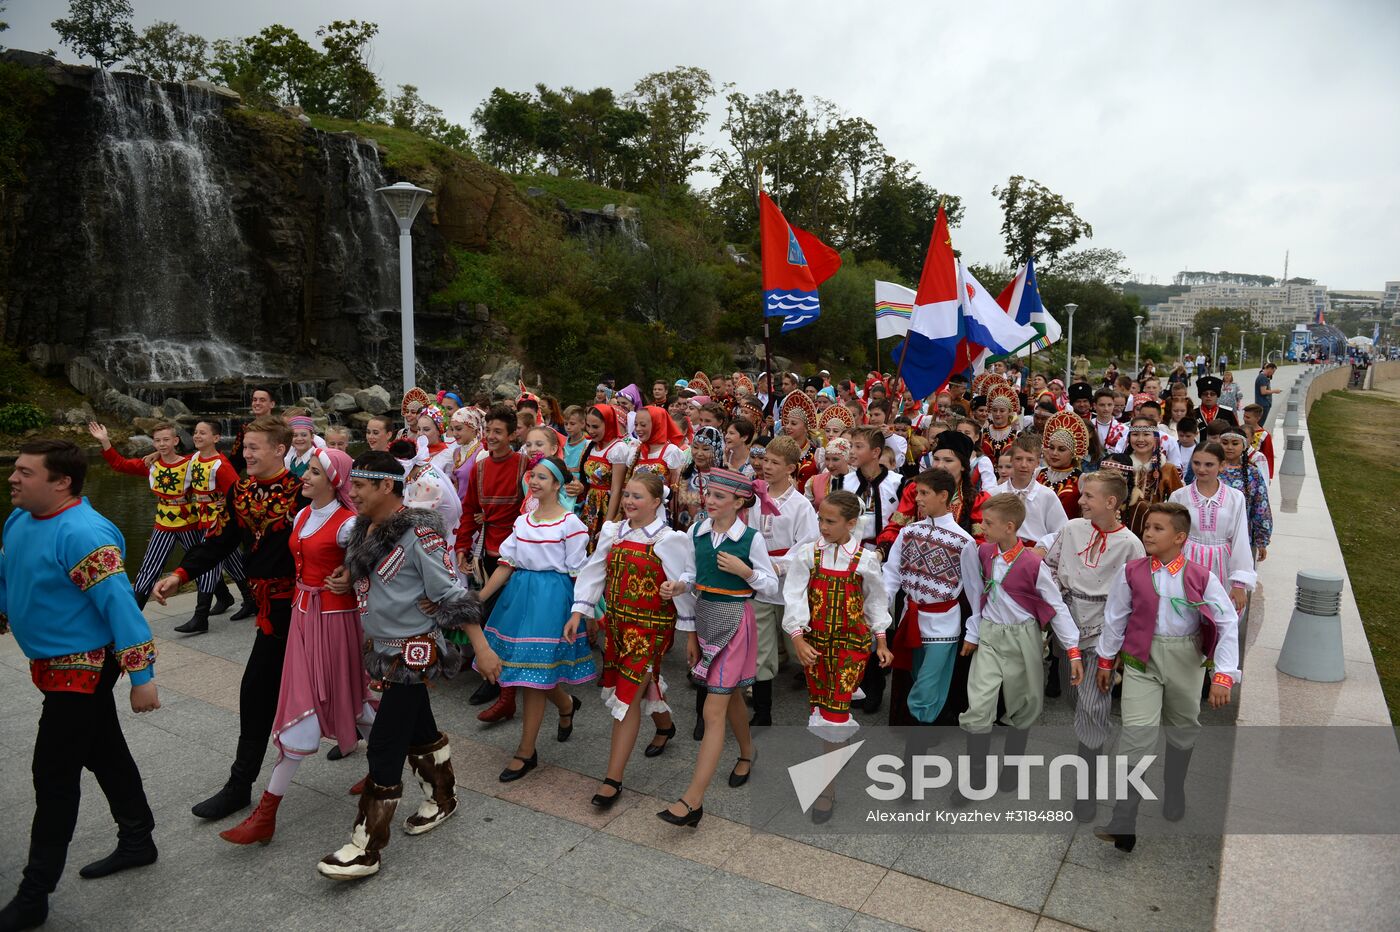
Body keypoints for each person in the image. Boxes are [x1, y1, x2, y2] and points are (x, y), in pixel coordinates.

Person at [0, 440, 161, 931]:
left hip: (84, 667)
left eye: (25, 472)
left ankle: (34, 894)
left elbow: (120, 607)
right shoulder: (20, 519)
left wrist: (142, 677)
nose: (13, 478)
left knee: (53, 773)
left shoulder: (85, 534)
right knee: (102, 749)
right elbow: (10, 573)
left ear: (61, 481)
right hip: (51, 664)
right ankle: (138, 839)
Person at [315, 451, 485, 880]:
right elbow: (369, 573)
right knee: (420, 729)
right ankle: (443, 796)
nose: (350, 492)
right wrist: (345, 576)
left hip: (414, 651)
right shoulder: (361, 528)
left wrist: (483, 649)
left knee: (385, 743)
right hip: (382, 646)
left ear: (385, 487)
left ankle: (366, 846)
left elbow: (450, 593)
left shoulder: (421, 534)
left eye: (359, 486)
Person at [151, 415, 306, 821]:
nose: (246, 454)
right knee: (256, 693)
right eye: (245, 447)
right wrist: (181, 573)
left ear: (279, 449)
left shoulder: (303, 491)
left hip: (308, 609)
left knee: (350, 686)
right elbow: (220, 541)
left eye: (254, 448)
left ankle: (396, 758)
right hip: (272, 614)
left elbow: (338, 537)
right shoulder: (240, 490)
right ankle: (240, 786)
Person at [217, 448, 375, 846]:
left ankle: (267, 811)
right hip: (302, 616)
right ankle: (405, 756)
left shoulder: (348, 523)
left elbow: (377, 562)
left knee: (348, 699)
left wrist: (351, 574)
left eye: (315, 472)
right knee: (345, 701)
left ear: (333, 481)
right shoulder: (303, 515)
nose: (304, 477)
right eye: (306, 470)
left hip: (335, 621)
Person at [1093, 503, 1238, 852]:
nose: (1148, 533)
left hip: (1185, 658)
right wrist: (1105, 659)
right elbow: (1115, 617)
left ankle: (1174, 789)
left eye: (1158, 528)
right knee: (1136, 733)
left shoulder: (1202, 577)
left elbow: (1226, 621)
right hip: (1142, 658)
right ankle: (1124, 819)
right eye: (1147, 527)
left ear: (1179, 537)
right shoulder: (1132, 571)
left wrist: (1223, 674)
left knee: (1183, 726)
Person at [658, 469, 778, 827]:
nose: (709, 500)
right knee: (731, 696)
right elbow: (694, 575)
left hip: (736, 623)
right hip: (707, 617)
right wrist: (680, 587)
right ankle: (747, 752)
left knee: (714, 710)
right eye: (708, 494)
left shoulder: (751, 539)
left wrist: (746, 571)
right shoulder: (697, 531)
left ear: (740, 502)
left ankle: (693, 800)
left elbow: (771, 587)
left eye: (719, 497)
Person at [570, 473, 694, 807]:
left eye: (637, 496)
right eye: (626, 495)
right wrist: (579, 612)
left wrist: (689, 629)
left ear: (657, 502)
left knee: (626, 695)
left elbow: (687, 582)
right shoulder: (614, 531)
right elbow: (595, 571)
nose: (628, 501)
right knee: (640, 682)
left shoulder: (670, 539)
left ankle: (613, 779)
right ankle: (665, 726)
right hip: (617, 626)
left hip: (651, 629)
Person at [475, 457, 596, 781]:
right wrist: (480, 598)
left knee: (533, 674)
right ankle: (566, 704)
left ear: (557, 484)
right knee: (528, 670)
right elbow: (506, 563)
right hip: (520, 597)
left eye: (544, 477)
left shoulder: (570, 524)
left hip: (552, 599)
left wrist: (582, 612)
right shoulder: (524, 521)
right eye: (534, 476)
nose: (536, 482)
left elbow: (579, 572)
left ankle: (526, 752)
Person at [954, 493, 1080, 804]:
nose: (982, 527)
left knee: (1024, 705)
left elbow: (1056, 606)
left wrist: (1073, 649)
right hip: (990, 636)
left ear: (1010, 527)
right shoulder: (982, 552)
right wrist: (973, 632)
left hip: (1024, 638)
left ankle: (1012, 767)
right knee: (979, 703)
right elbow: (975, 593)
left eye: (989, 523)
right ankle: (976, 777)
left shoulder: (1032, 563)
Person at [1039, 470, 1145, 822]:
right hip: (1069, 622)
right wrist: (1054, 607)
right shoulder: (1071, 530)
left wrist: (1118, 647)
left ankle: (1087, 790)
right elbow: (1050, 568)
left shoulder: (1130, 544)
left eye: (1088, 496)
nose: (1080, 501)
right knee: (1076, 698)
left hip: (1104, 628)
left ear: (1111, 503)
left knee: (1091, 705)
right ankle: (1093, 733)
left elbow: (1135, 593)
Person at [783, 490, 892, 821]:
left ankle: (826, 789)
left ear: (851, 523)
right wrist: (798, 638)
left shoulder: (864, 560)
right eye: (820, 519)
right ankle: (832, 757)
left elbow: (875, 601)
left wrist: (882, 641)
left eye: (830, 521)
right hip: (815, 644)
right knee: (820, 708)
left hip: (850, 647)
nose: (823, 526)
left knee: (834, 713)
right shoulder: (808, 555)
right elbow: (794, 597)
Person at [884, 468, 975, 732]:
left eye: (924, 493)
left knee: (928, 686)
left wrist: (974, 632)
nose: (918, 499)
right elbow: (892, 574)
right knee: (915, 677)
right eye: (917, 493)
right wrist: (881, 613)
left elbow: (973, 589)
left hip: (943, 625)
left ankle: (915, 752)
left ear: (943, 495)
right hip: (910, 619)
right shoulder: (909, 531)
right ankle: (918, 747)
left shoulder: (964, 541)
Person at [456, 406, 529, 710]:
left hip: (517, 554)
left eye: (499, 432)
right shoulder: (480, 468)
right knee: (487, 614)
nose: (492, 437)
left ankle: (500, 684)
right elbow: (469, 509)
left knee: (506, 619)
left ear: (513, 435)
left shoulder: (525, 465)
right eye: (489, 431)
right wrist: (462, 545)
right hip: (487, 552)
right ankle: (493, 676)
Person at [747, 435, 820, 727]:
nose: (767, 466)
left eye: (775, 462)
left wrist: (780, 565)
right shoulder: (753, 496)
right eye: (765, 460)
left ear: (791, 468)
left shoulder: (801, 505)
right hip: (760, 584)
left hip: (789, 585)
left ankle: (823, 702)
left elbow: (809, 543)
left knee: (798, 645)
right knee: (762, 650)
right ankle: (763, 712)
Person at [88, 421, 200, 609]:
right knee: (150, 567)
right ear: (153, 443)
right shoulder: (150, 464)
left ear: (176, 440)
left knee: (201, 561)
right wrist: (105, 441)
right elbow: (120, 464)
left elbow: (210, 461)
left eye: (166, 440)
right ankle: (133, 613)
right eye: (158, 441)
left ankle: (222, 598)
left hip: (188, 520)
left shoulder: (189, 463)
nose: (162, 444)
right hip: (163, 523)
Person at [178, 419, 252, 633]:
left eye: (203, 433)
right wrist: (156, 455)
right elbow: (174, 461)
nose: (197, 436)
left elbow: (238, 491)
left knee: (208, 566)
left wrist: (226, 503)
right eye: (195, 432)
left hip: (219, 521)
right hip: (202, 517)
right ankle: (249, 599)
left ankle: (200, 616)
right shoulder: (194, 458)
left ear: (216, 438)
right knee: (231, 559)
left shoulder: (221, 464)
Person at [1167, 444, 1254, 613]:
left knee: (1221, 615)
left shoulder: (1235, 498)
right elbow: (1171, 536)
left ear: (1221, 465)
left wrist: (1239, 582)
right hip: (1186, 562)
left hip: (1222, 563)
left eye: (1209, 464)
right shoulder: (1179, 496)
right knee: (1184, 614)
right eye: (1197, 463)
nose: (1201, 469)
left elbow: (1240, 539)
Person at [1099, 416, 1185, 538]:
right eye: (1135, 434)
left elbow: (1178, 505)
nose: (1140, 439)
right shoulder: (1118, 465)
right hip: (1118, 526)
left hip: (1154, 532)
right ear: (1129, 437)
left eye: (1146, 434)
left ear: (1155, 437)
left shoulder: (1167, 469)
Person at [576, 404, 635, 550]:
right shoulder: (590, 445)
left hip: (606, 506)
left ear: (608, 423)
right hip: (590, 504)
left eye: (595, 427)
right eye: (588, 426)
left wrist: (608, 524)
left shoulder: (617, 449)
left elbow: (616, 489)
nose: (590, 431)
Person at [993, 434, 1069, 545]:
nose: (1024, 465)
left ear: (1038, 463)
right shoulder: (995, 494)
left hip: (1035, 555)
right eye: (1018, 459)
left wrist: (1043, 548)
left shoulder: (1047, 495)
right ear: (1011, 460)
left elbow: (1061, 531)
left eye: (1030, 460)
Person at [1215, 423, 1272, 561]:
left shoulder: (1253, 473)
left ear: (1244, 446)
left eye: (1235, 443)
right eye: (1225, 443)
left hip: (1242, 535)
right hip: (1211, 534)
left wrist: (1261, 540)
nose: (1229, 447)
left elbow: (1261, 507)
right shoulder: (1210, 468)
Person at [1037, 412, 1090, 520]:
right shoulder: (1038, 473)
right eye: (1051, 448)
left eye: (1061, 449)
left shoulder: (1081, 479)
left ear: (1073, 453)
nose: (1054, 453)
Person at [1240, 404, 1275, 479]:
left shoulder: (1264, 435)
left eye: (1248, 417)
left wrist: (1268, 476)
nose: (1244, 419)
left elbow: (1268, 456)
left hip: (1255, 471)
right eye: (1244, 416)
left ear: (1258, 418)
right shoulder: (1239, 430)